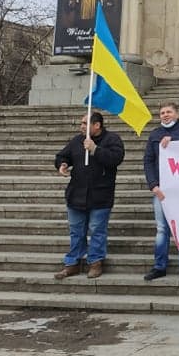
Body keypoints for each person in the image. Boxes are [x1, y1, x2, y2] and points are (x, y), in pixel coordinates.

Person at [53, 112, 125, 279]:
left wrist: (95, 150)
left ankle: (95, 262)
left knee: (97, 230)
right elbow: (62, 155)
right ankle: (72, 263)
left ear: (97, 125)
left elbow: (116, 158)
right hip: (76, 195)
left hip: (101, 196)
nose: (81, 126)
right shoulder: (77, 140)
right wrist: (62, 164)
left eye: (85, 123)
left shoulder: (112, 139)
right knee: (76, 231)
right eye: (81, 123)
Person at [143, 102, 179, 281]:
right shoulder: (154, 134)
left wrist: (174, 143)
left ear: (177, 114)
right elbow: (148, 161)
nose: (165, 115)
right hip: (162, 190)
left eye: (169, 112)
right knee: (162, 229)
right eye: (162, 113)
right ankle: (159, 266)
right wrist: (153, 185)